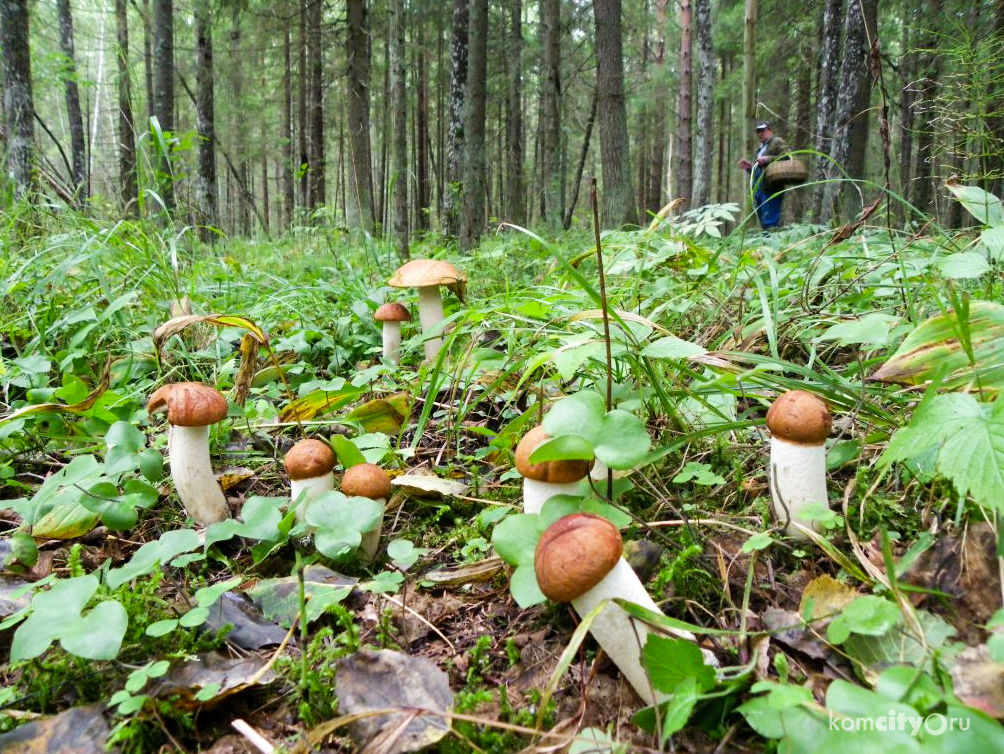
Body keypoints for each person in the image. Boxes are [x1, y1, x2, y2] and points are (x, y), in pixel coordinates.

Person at [738, 121, 792, 231]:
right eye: (758, 131)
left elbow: (787, 157)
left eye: (762, 130)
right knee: (763, 219)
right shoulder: (761, 148)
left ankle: (772, 243)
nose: (760, 134)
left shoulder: (777, 141)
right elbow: (761, 171)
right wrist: (750, 167)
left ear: (769, 130)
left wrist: (767, 159)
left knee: (770, 219)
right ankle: (765, 243)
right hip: (760, 188)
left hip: (772, 187)